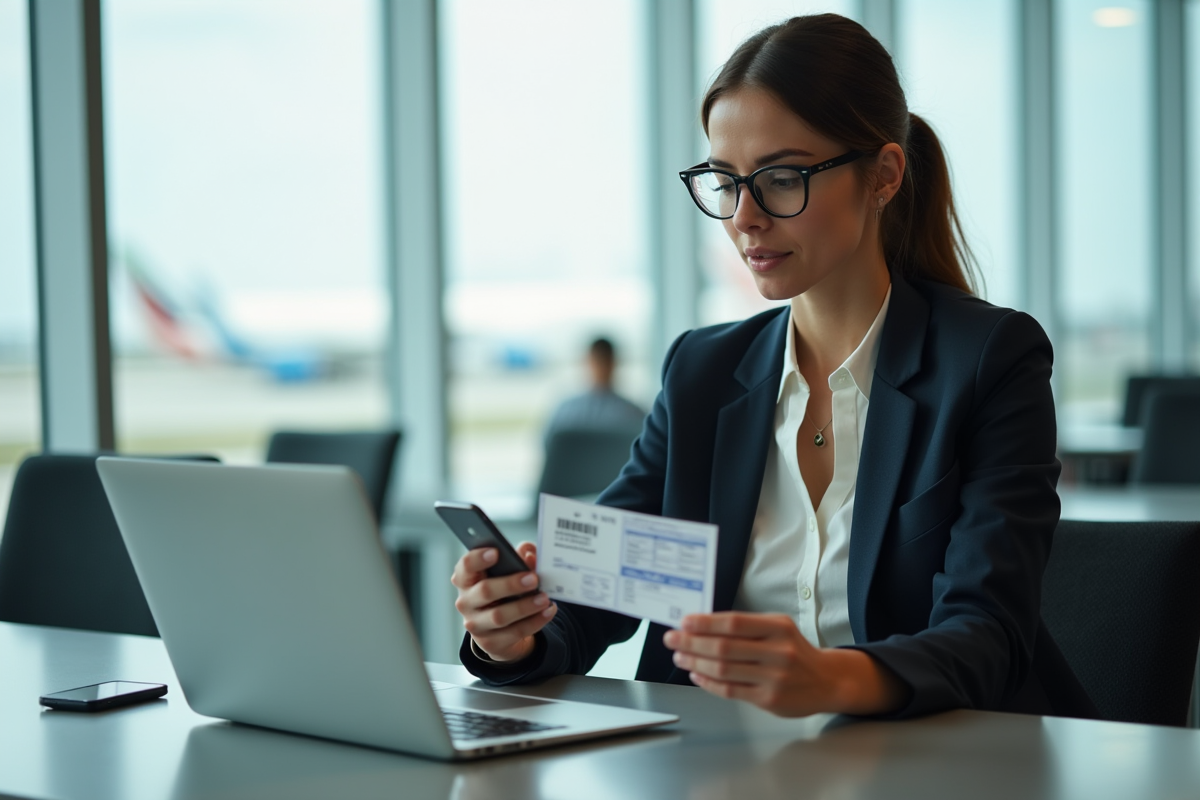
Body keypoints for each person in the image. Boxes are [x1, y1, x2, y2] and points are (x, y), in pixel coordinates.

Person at [450, 14, 1095, 720]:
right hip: (726, 767)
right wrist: (511, 633)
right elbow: (600, 592)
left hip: (936, 765)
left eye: (781, 178)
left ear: (883, 175)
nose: (745, 218)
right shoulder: (703, 372)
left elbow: (989, 635)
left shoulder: (987, 361)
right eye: (725, 181)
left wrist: (833, 679)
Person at [542, 337, 646, 446]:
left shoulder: (633, 412)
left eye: (605, 361)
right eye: (598, 361)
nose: (601, 367)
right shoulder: (633, 412)